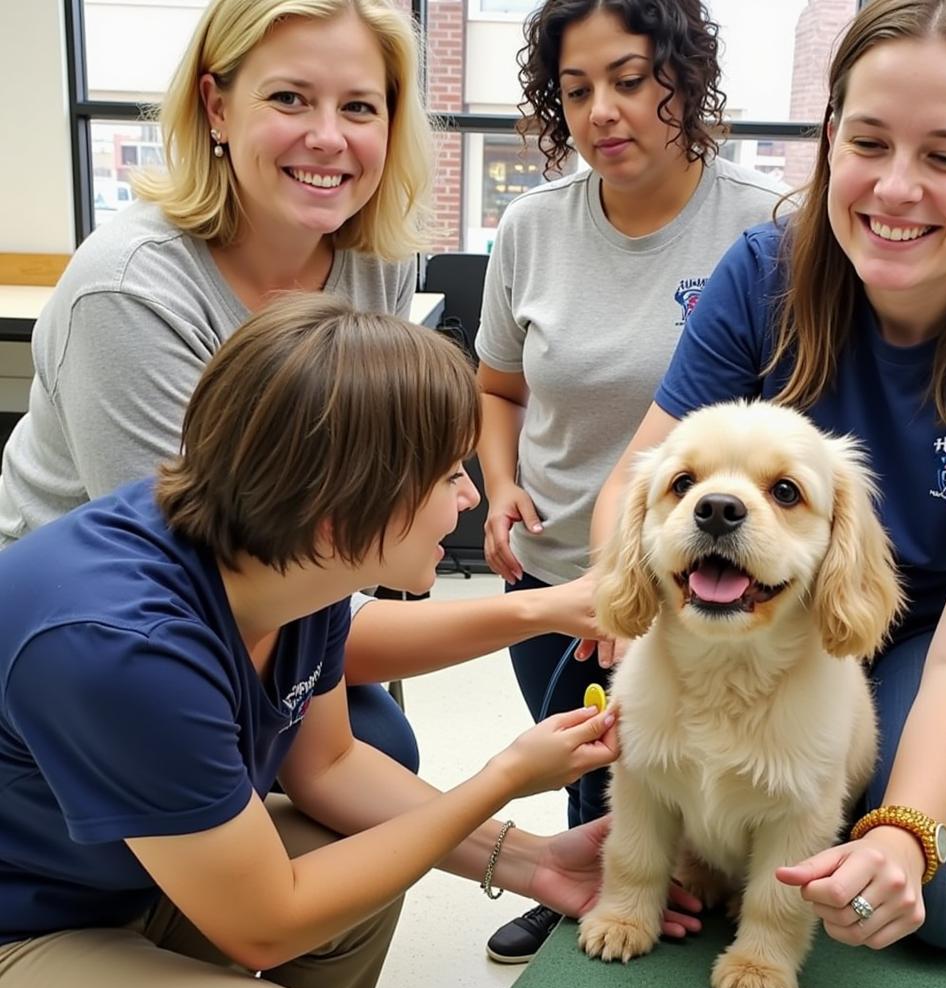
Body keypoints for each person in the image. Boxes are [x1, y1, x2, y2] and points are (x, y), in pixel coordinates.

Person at [0, 296, 702, 988]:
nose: (468, 497)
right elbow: (265, 923)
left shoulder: (284, 556)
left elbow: (329, 766)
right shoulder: (121, 647)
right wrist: (507, 777)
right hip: (28, 920)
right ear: (338, 511)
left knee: (360, 861)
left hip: (127, 872)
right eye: (445, 478)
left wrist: (532, 859)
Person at [0, 0, 602, 775]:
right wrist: (540, 608)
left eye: (359, 106)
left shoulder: (373, 259)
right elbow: (216, 591)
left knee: (377, 749)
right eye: (289, 98)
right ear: (216, 106)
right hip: (108, 640)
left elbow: (344, 513)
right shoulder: (129, 297)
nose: (329, 137)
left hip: (291, 588)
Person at [593, 0, 946, 953]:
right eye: (868, 142)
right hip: (733, 608)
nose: (896, 189)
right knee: (616, 772)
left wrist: (906, 837)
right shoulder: (762, 275)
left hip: (934, 629)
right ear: (830, 138)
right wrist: (634, 616)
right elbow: (647, 475)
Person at [474, 0, 788, 961]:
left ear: (682, 80)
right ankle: (576, 881)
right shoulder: (530, 227)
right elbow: (497, 386)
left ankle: (713, 883)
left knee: (698, 745)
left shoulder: (765, 228)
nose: (601, 110)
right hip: (558, 558)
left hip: (705, 573)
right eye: (576, 91)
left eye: (628, 79)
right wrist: (498, 486)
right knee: (587, 747)